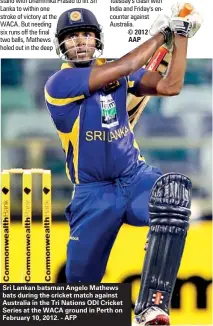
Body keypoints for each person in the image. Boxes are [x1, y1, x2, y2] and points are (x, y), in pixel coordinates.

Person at [44, 6, 202, 325]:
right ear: (62, 45)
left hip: (135, 178)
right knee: (81, 294)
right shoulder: (60, 83)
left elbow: (170, 86)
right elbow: (128, 64)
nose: (80, 42)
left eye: (87, 34)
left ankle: (151, 306)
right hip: (93, 193)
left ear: (97, 39)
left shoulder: (118, 72)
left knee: (172, 195)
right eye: (72, 37)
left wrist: (181, 37)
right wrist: (163, 34)